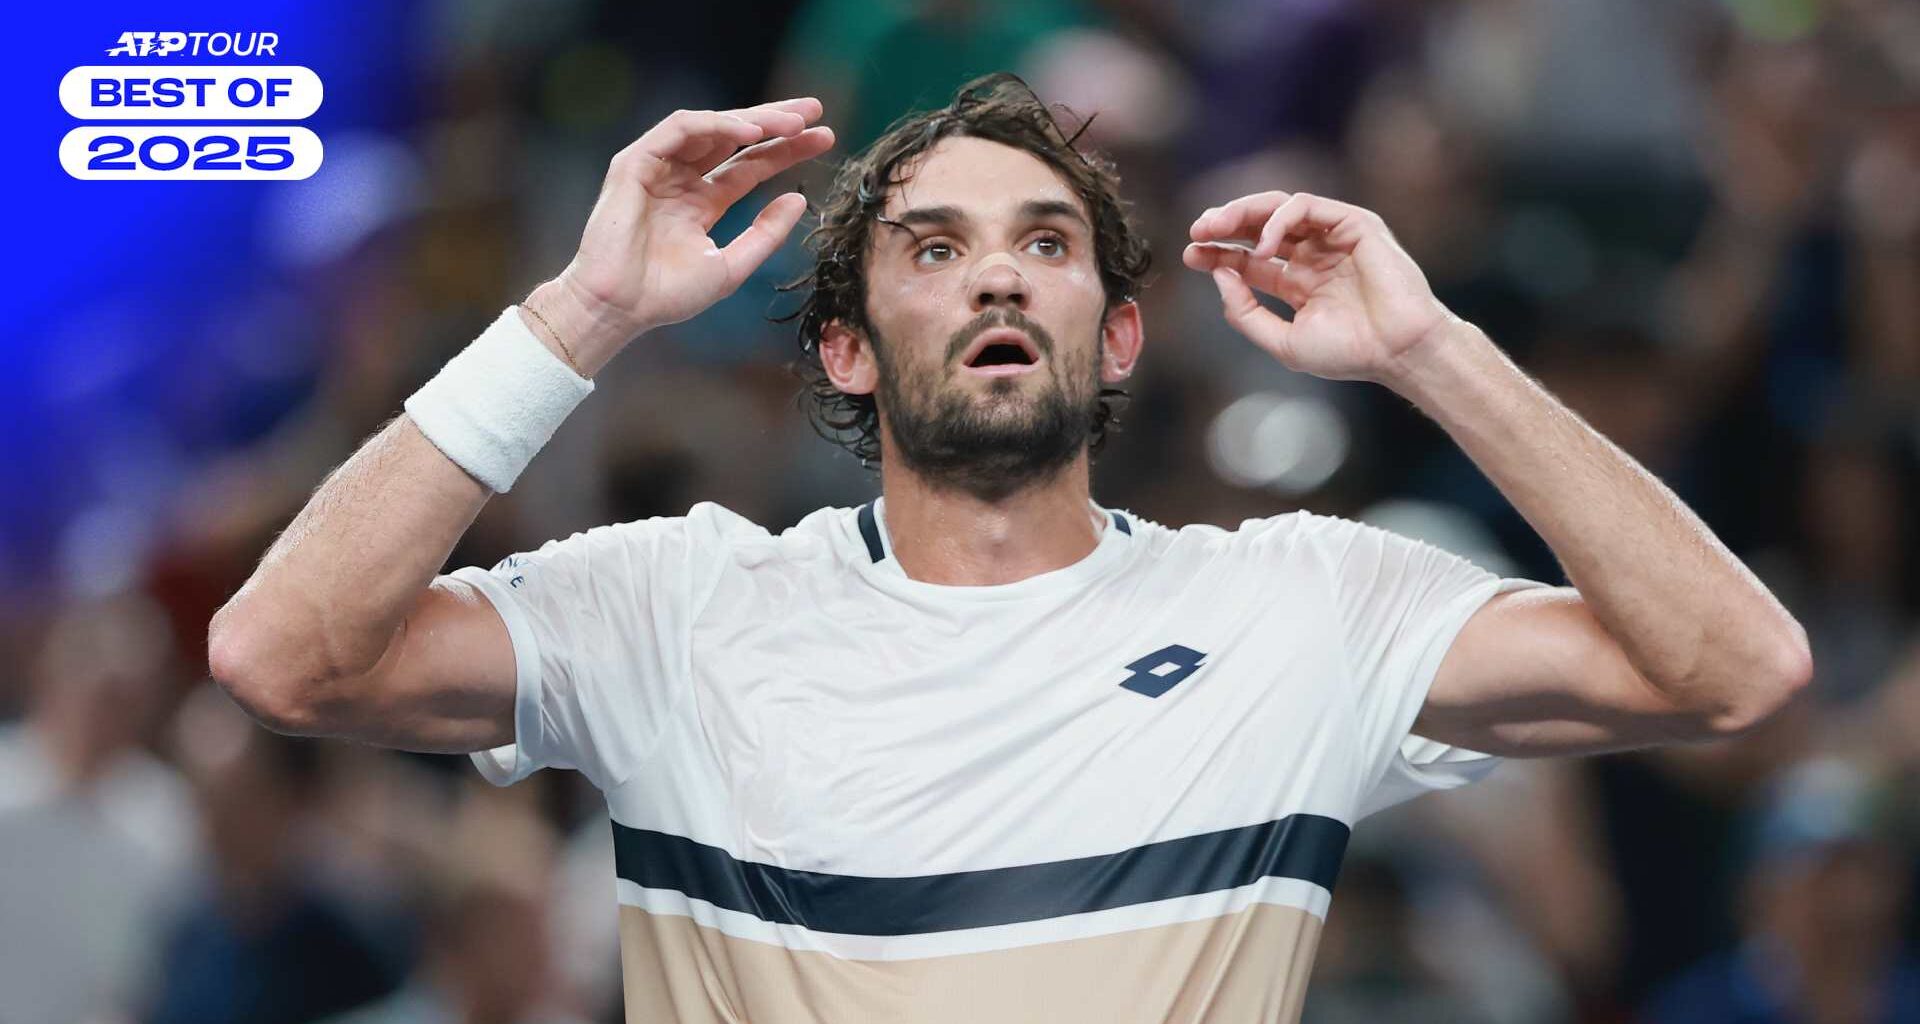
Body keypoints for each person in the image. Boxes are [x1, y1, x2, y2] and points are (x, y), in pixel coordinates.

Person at [209, 75, 1811, 1023]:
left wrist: (1435, 352)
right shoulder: (674, 603)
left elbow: (1733, 670)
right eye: (934, 247)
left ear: (1116, 340)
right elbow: (287, 653)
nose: (996, 281)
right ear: (845, 350)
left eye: (1044, 246)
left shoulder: (1303, 603)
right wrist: (582, 312)